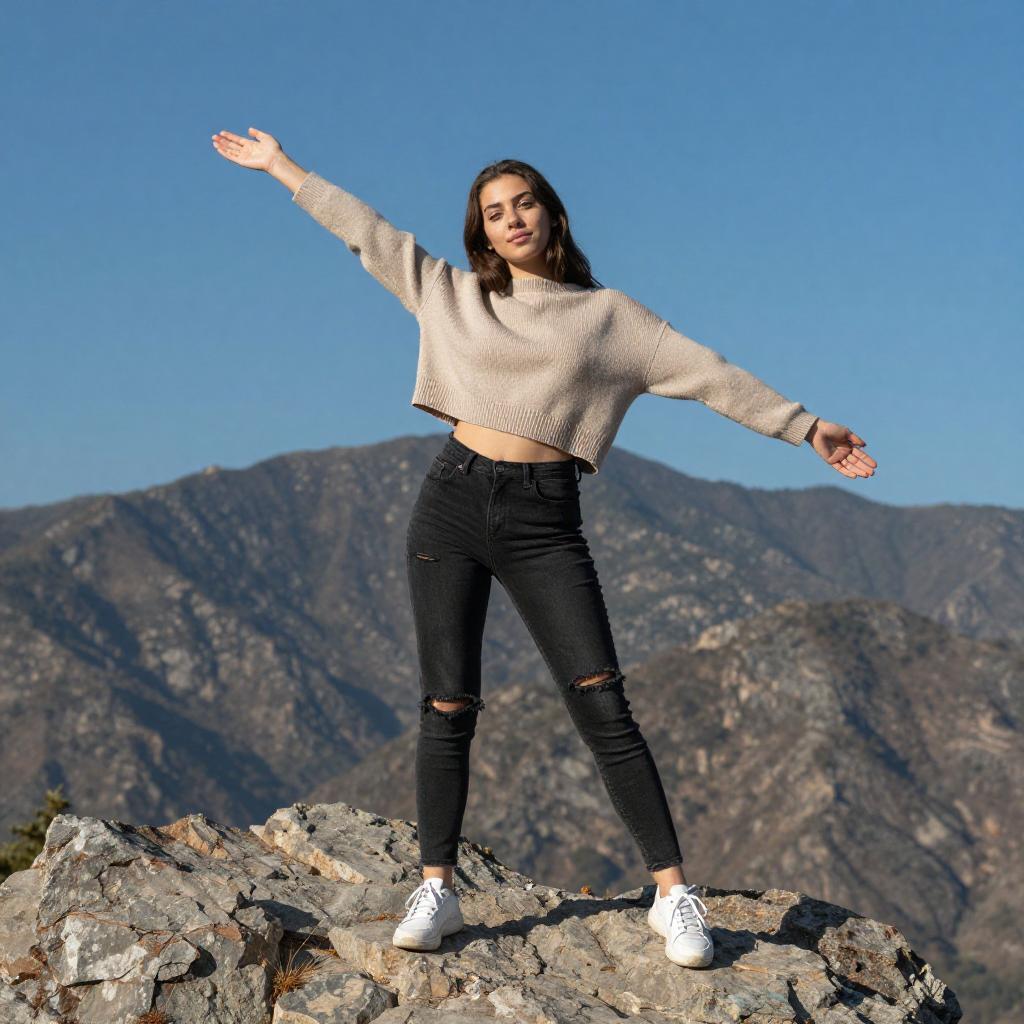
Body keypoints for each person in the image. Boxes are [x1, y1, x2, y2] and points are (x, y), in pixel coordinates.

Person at [211, 127, 877, 969]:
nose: (511, 218)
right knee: (448, 705)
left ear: (552, 213)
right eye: (493, 212)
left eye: (523, 201)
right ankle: (438, 888)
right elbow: (367, 230)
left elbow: (711, 373)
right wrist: (281, 167)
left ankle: (674, 897)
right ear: (480, 233)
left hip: (543, 518)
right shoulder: (451, 294)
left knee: (602, 701)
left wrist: (807, 426)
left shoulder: (611, 319)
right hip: (451, 503)